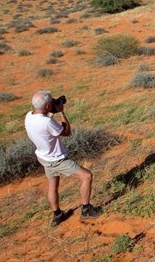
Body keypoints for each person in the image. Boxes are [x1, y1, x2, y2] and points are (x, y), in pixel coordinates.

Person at [25, 90, 103, 226]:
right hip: (57, 159)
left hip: (43, 157)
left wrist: (51, 112)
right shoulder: (47, 122)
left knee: (52, 186)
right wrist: (61, 112)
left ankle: (57, 215)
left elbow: (45, 121)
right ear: (49, 105)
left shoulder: (29, 116)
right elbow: (66, 132)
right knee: (87, 176)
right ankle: (86, 209)